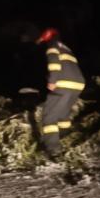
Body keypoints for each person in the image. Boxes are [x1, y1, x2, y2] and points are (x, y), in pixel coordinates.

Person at [35, 27, 85, 157]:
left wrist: (52, 80)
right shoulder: (66, 48)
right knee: (63, 115)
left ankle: (53, 149)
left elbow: (54, 63)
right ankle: (65, 139)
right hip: (78, 84)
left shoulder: (52, 46)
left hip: (63, 83)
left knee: (49, 116)